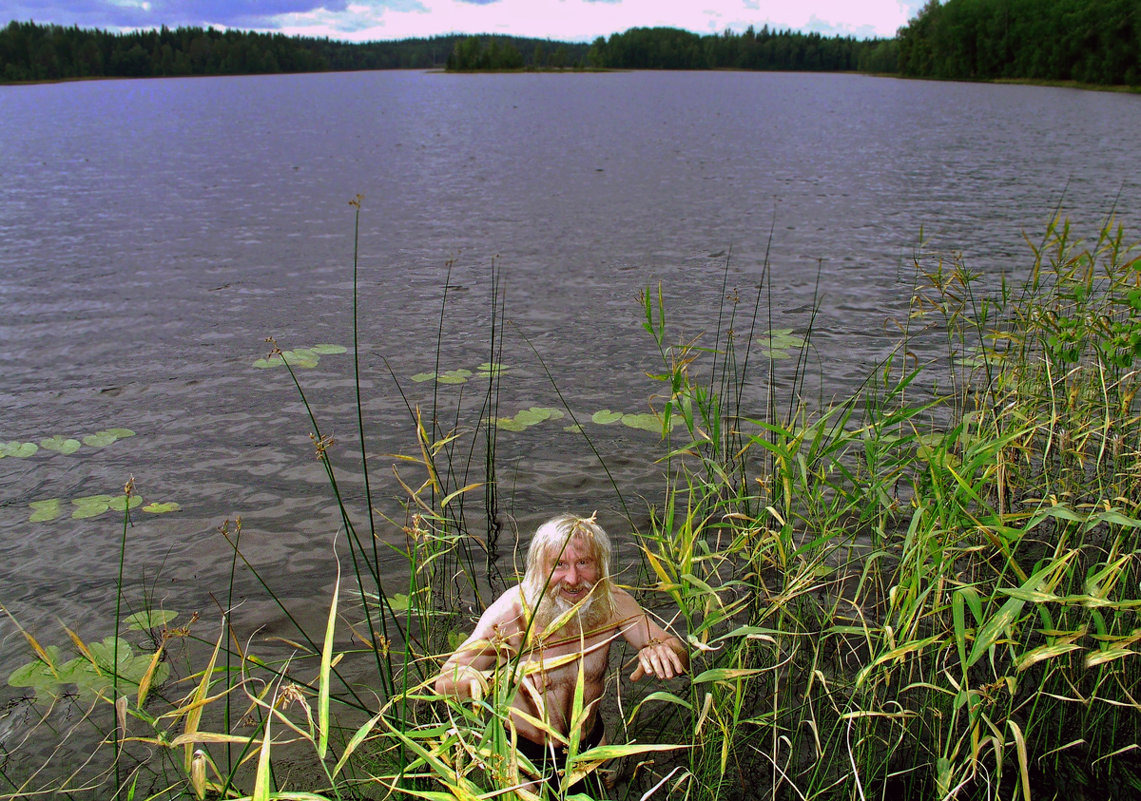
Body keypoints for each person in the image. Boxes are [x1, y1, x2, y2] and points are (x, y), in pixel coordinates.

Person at [434, 513, 688, 795]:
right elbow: (444, 684)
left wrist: (662, 650)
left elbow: (677, 652)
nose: (572, 579)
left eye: (583, 563)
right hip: (524, 758)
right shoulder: (512, 615)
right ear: (538, 568)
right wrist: (499, 680)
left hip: (590, 747)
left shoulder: (612, 604)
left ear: (599, 566)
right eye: (559, 565)